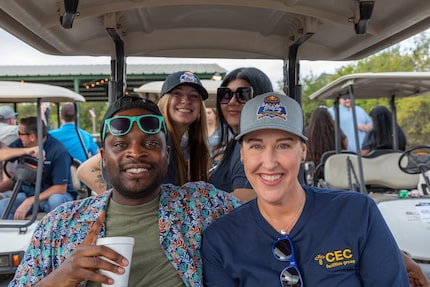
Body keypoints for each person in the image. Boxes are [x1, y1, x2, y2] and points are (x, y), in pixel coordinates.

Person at [8, 96, 240, 287]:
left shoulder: (200, 205)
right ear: (104, 158)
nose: (136, 153)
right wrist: (64, 275)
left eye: (151, 143)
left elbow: (266, 214)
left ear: (167, 154)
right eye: (120, 145)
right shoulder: (60, 224)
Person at [201, 92, 411, 286]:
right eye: (256, 146)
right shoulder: (220, 240)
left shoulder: (357, 212)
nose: (270, 162)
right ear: (242, 155)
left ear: (302, 151)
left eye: (283, 145)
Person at [76, 71, 210, 193]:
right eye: (177, 94)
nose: (186, 101)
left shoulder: (188, 145)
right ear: (165, 101)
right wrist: (117, 198)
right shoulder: (149, 135)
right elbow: (86, 170)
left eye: (193, 96)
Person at [208, 67, 273, 200]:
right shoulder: (237, 142)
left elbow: (244, 199)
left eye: (243, 94)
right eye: (226, 95)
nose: (232, 102)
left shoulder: (253, 143)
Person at [0, 117, 77, 219]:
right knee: (3, 205)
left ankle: (51, 233)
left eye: (20, 133)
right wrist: (27, 151)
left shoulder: (58, 150)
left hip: (55, 196)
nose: (19, 136)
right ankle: (13, 234)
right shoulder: (22, 144)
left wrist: (30, 201)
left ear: (32, 136)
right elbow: (2, 154)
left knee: (56, 200)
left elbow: (60, 188)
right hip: (29, 194)